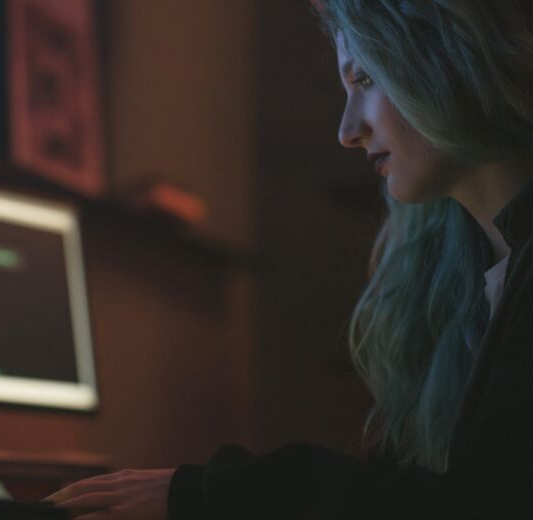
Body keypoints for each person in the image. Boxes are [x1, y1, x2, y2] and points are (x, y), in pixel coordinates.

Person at [46, 0, 533, 517]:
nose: (348, 131)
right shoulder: (460, 280)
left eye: (365, 79)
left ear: (452, 56)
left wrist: (212, 495)